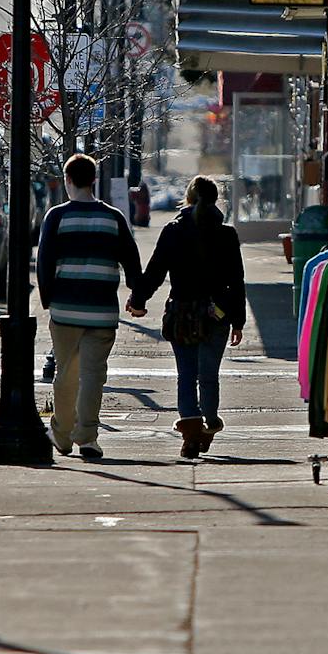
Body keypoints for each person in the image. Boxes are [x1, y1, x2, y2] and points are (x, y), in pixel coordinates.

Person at [127, 175, 245, 458]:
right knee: (208, 376)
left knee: (186, 375)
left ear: (188, 198)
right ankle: (210, 424)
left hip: (182, 314)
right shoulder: (227, 234)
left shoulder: (174, 230)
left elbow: (155, 271)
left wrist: (138, 299)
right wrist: (237, 321)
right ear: (216, 200)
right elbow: (236, 280)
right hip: (217, 315)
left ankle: (191, 431)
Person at [35, 152, 143, 460]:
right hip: (102, 311)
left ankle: (61, 434)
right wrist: (137, 298)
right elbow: (131, 261)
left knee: (65, 374)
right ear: (93, 181)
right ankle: (88, 438)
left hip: (65, 309)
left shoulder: (56, 217)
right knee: (94, 376)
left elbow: (44, 263)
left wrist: (48, 298)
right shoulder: (113, 218)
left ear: (68, 181)